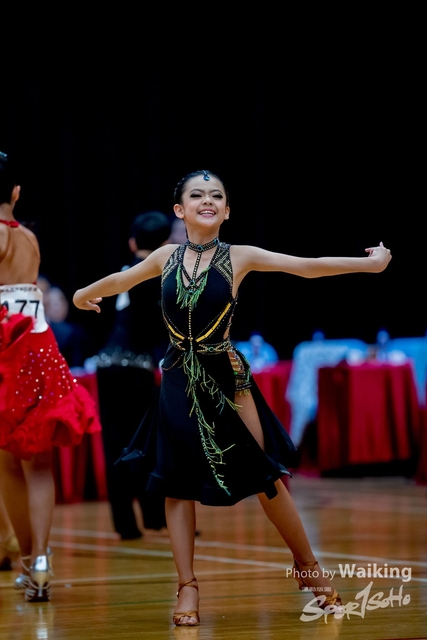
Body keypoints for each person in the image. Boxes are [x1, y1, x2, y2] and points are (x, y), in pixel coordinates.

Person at [73, 169, 392, 626]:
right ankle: (187, 586)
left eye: (216, 195)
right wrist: (84, 294)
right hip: (178, 377)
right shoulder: (164, 257)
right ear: (180, 210)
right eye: (197, 195)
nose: (207, 200)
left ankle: (308, 567)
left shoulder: (239, 256)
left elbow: (306, 265)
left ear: (226, 211)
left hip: (228, 377)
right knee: (176, 483)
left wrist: (369, 265)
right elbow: (119, 281)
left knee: (265, 476)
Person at [0, 150, 102, 602]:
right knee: (38, 462)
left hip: (7, 348)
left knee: (8, 462)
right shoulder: (29, 238)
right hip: (39, 350)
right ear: (16, 193)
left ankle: (28, 560)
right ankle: (40, 561)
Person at [96, 211, 171, 539]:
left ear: (131, 242)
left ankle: (127, 524)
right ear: (166, 243)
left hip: (107, 364)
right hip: (136, 368)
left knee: (116, 445)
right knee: (148, 441)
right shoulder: (158, 275)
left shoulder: (125, 272)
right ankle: (156, 516)